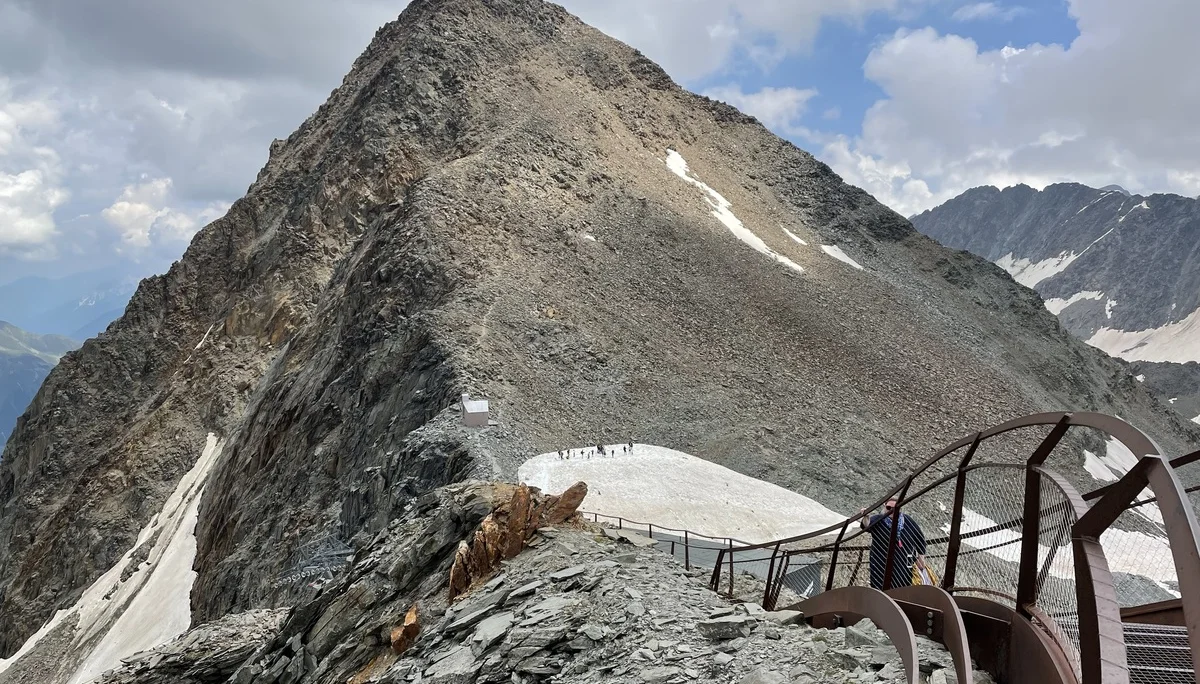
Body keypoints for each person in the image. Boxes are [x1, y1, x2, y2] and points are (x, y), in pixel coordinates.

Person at [859, 499, 927, 590]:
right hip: (882, 563)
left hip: (903, 564)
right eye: (889, 508)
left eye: (895, 509)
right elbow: (866, 526)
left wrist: (921, 558)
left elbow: (920, 538)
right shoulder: (879, 519)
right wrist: (865, 517)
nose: (891, 511)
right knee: (881, 588)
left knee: (902, 587)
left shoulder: (908, 521)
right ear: (884, 507)